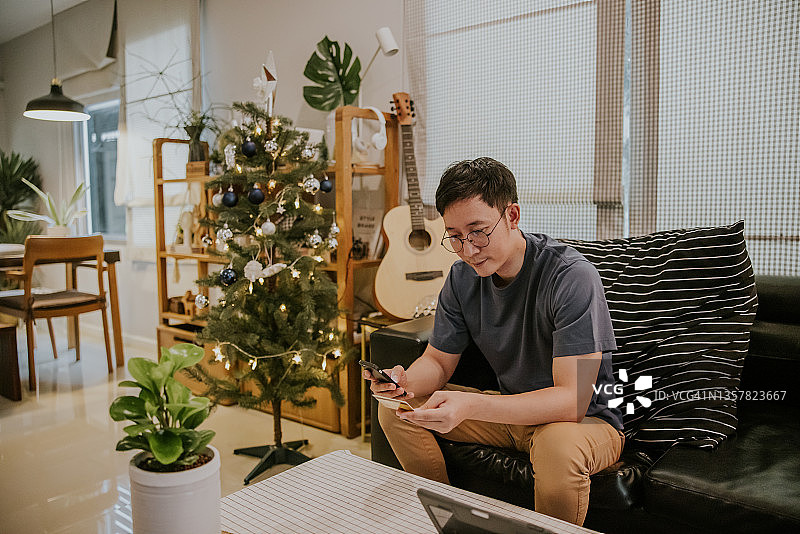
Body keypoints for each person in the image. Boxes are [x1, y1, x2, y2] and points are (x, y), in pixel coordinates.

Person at [364, 157, 624, 527]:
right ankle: (448, 521)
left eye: (478, 231)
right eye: (455, 236)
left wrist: (469, 405)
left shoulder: (571, 277)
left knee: (557, 448)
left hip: (586, 421)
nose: (468, 250)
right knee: (398, 411)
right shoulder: (461, 278)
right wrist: (404, 382)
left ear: (512, 215)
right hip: (512, 412)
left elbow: (572, 400)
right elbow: (438, 361)